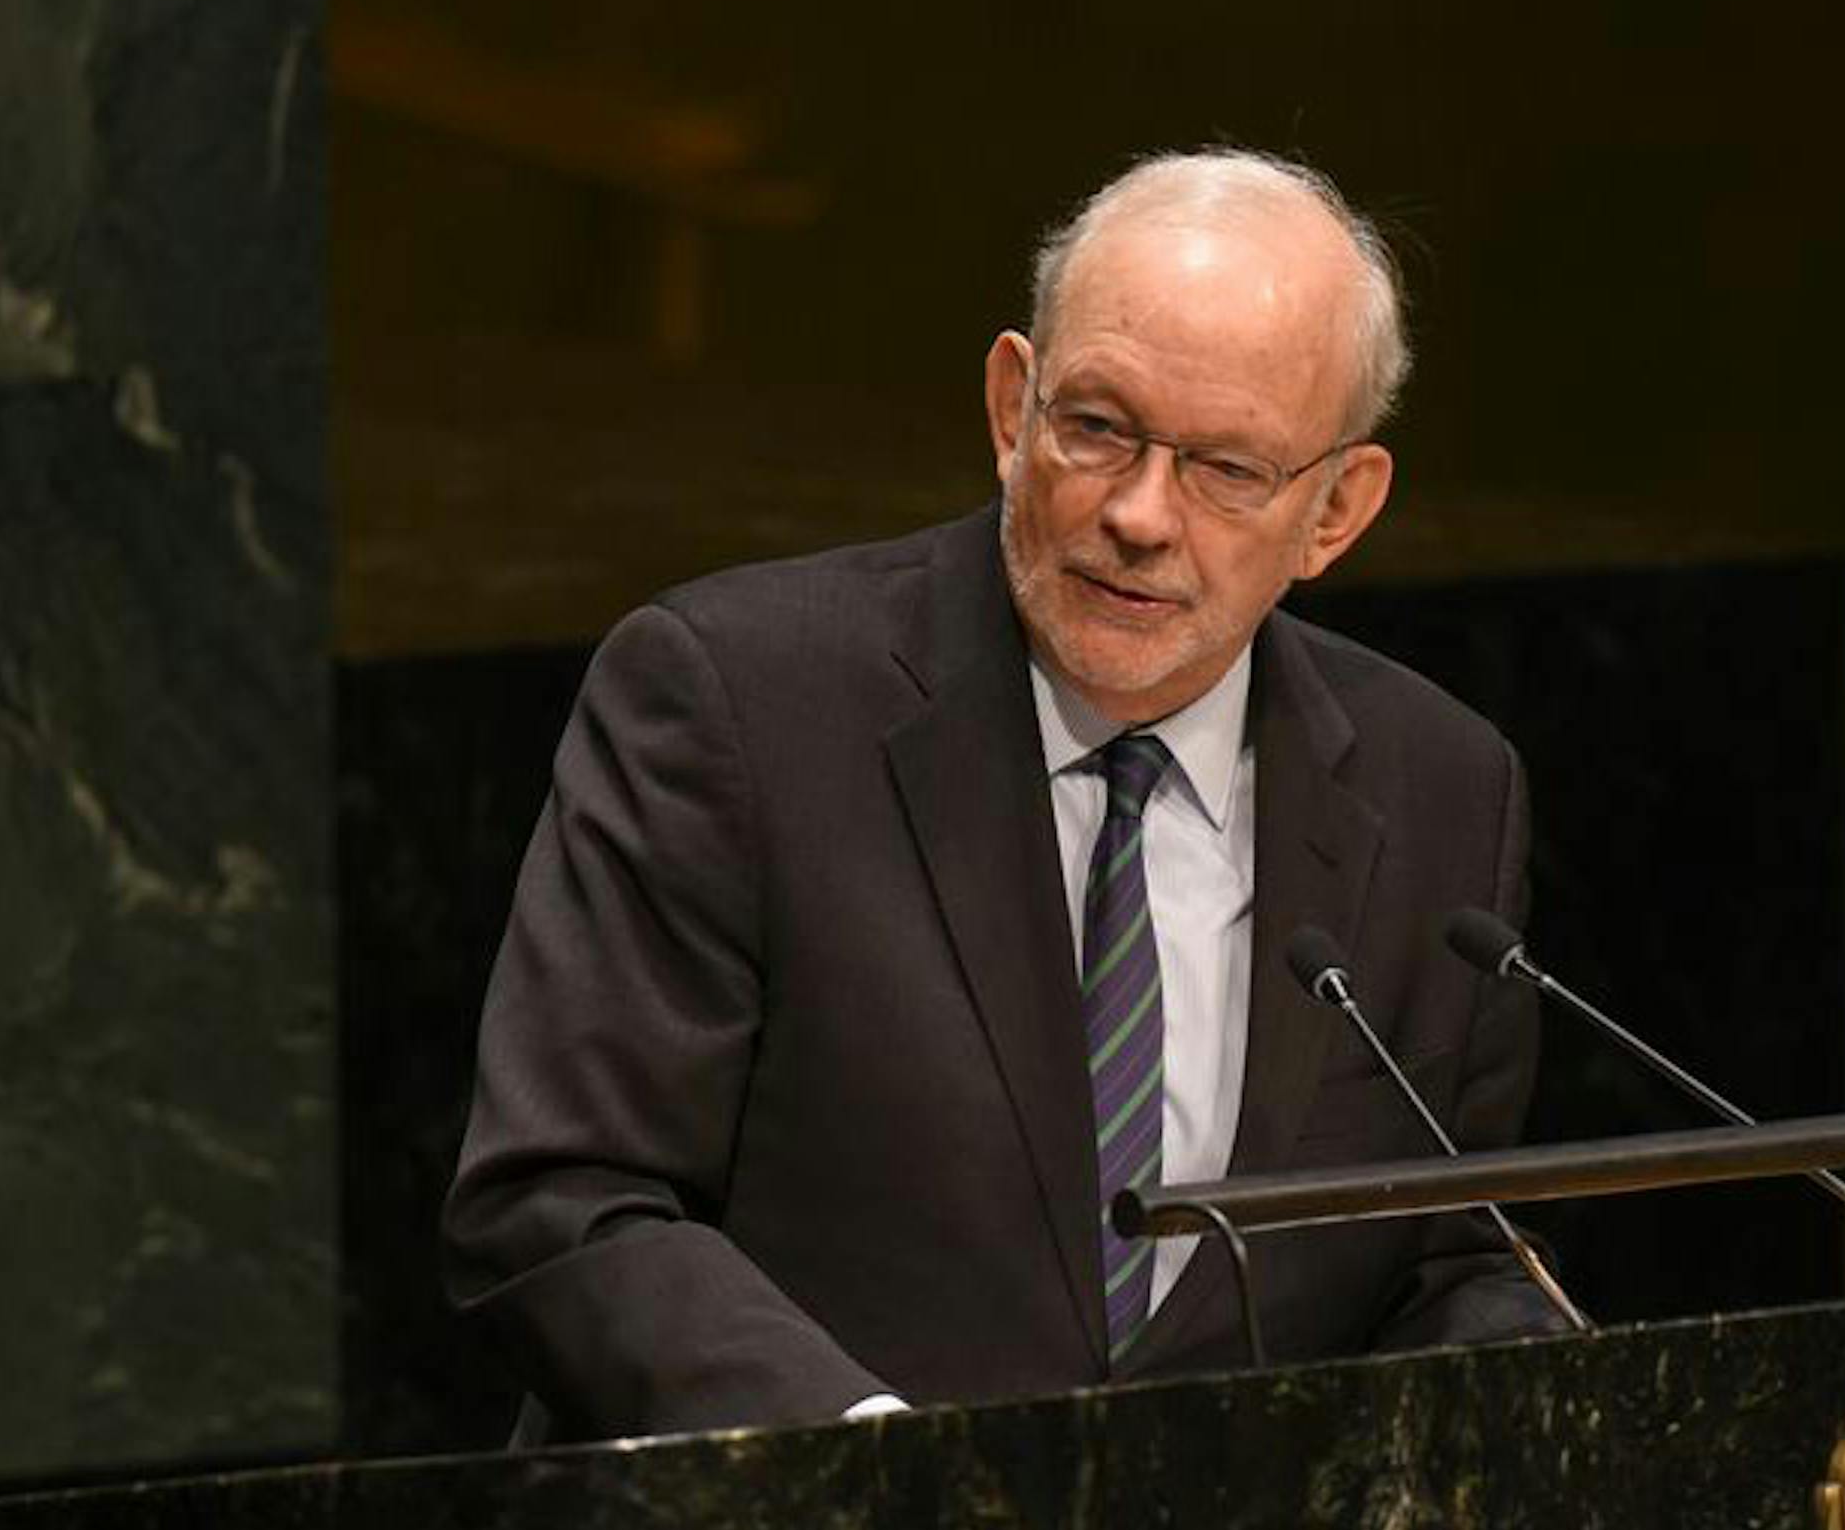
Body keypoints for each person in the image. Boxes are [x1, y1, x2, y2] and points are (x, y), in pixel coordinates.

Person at [444, 148, 1561, 1438]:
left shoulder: (1443, 793)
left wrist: (1547, 1375)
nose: (1142, 514)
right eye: (1097, 428)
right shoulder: (734, 702)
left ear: (1336, 512)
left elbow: (1440, 1259)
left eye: (1226, 471)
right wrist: (884, 1471)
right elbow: (560, 1203)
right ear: (1010, 406)